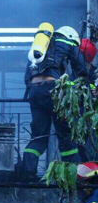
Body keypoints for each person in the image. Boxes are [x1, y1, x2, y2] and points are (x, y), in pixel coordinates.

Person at [19, 26, 88, 181]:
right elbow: (81, 67)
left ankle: (27, 174)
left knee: (38, 137)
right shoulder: (68, 43)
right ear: (71, 36)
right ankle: (70, 177)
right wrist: (89, 85)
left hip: (35, 92)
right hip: (55, 92)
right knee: (65, 137)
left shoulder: (39, 48)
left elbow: (26, 78)